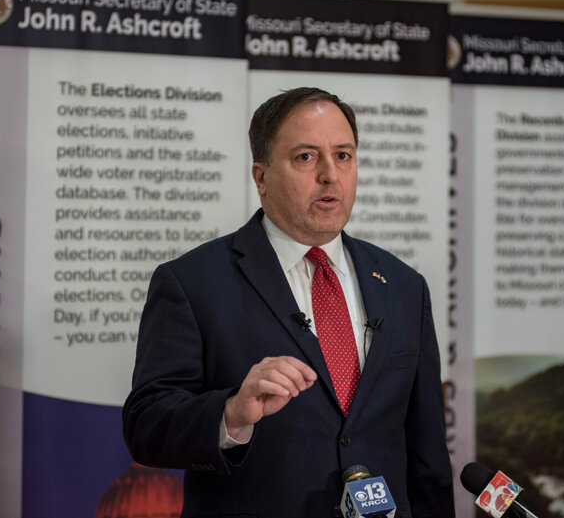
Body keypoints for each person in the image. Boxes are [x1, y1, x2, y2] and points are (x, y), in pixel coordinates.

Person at [122, 87, 455, 518]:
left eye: (343, 156)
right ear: (261, 177)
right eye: (305, 157)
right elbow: (146, 425)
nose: (330, 176)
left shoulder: (404, 285)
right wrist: (231, 413)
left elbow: (426, 452)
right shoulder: (192, 282)